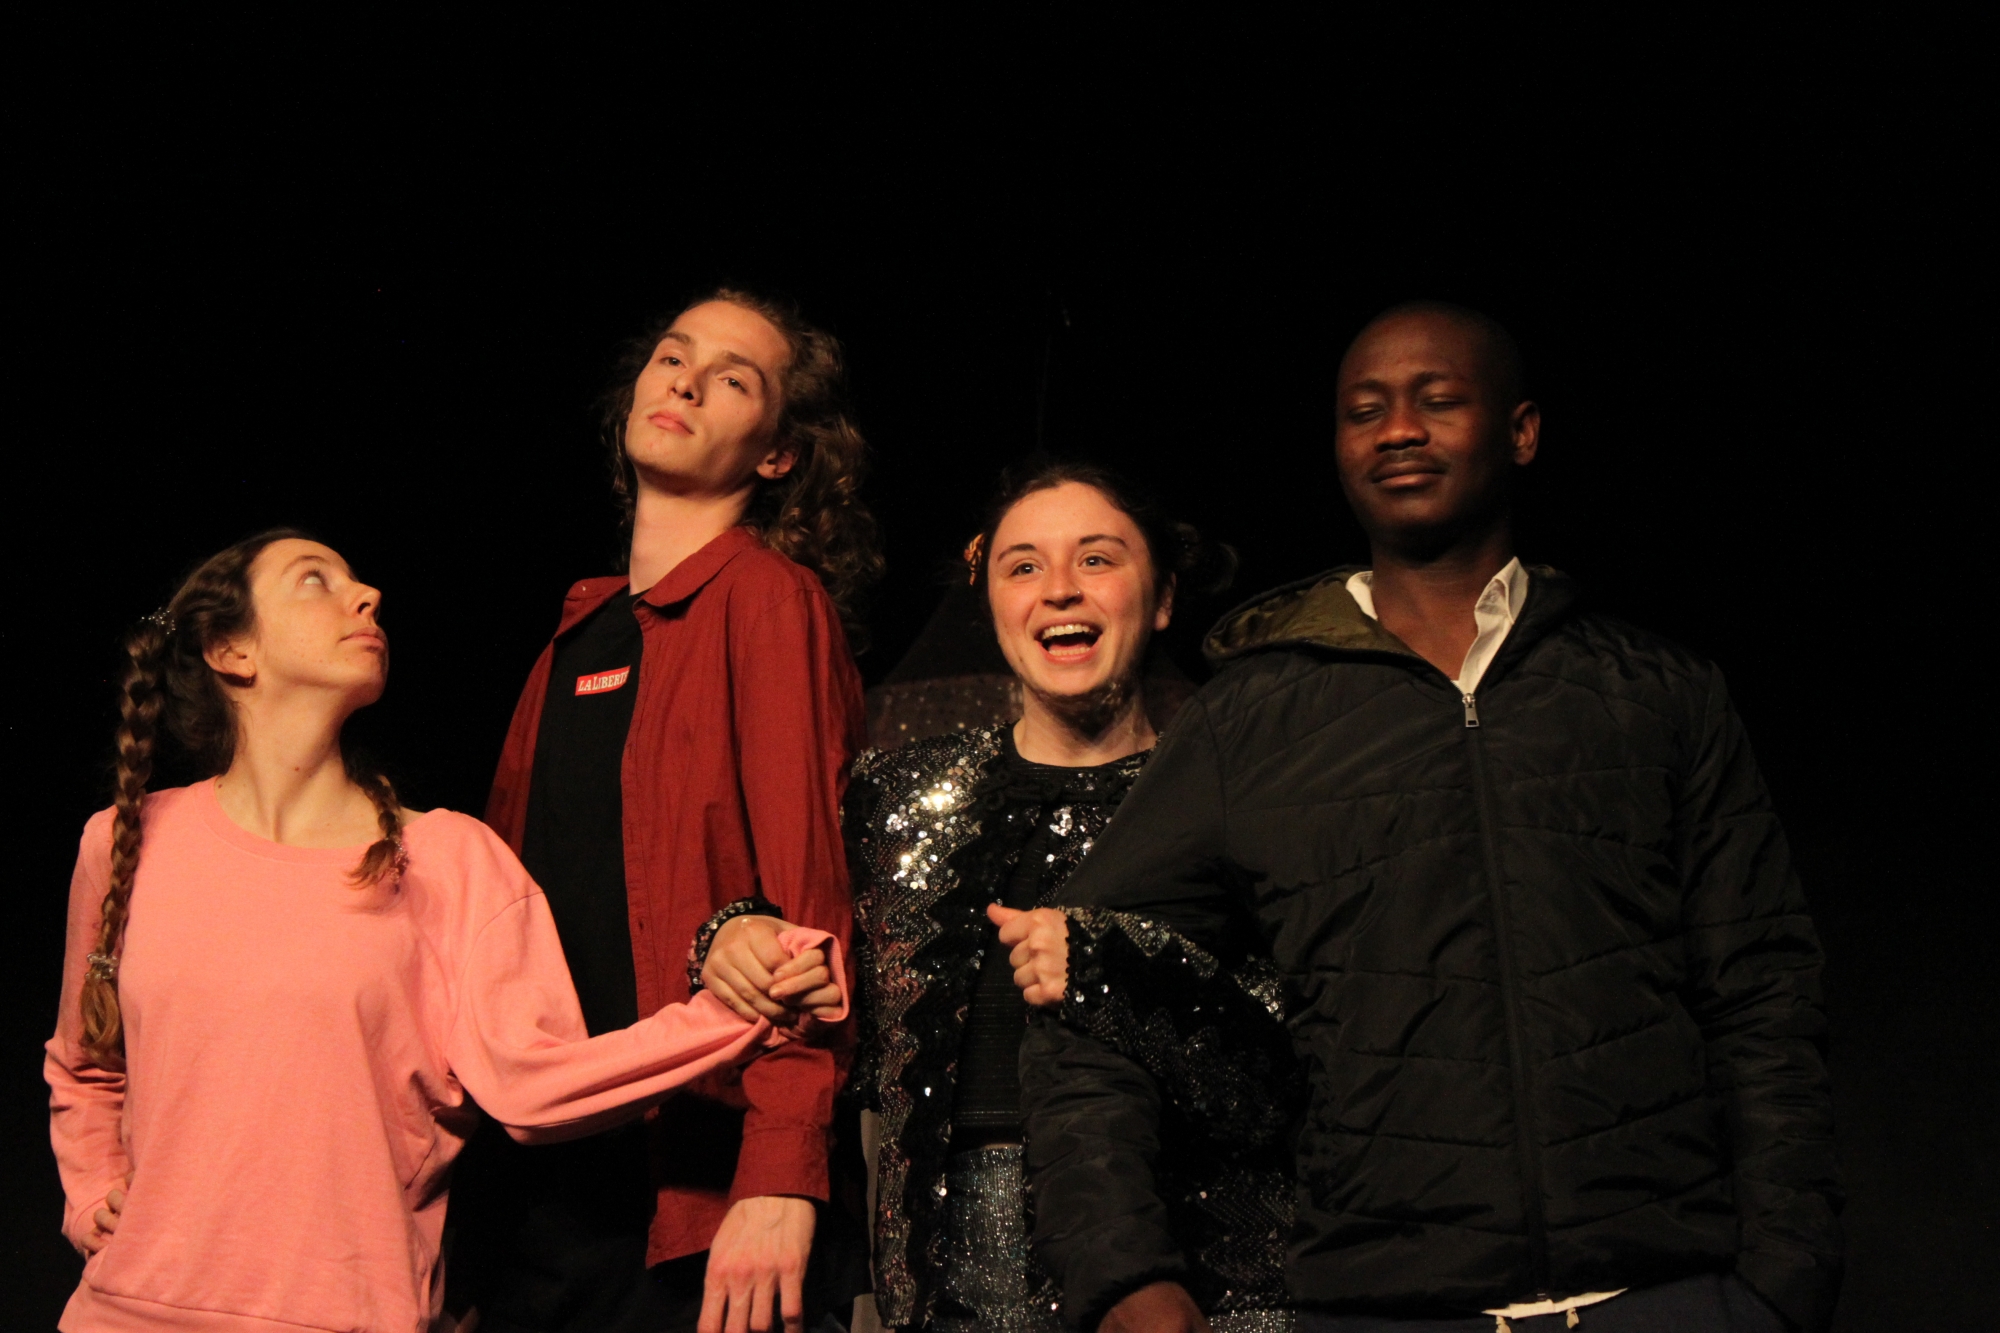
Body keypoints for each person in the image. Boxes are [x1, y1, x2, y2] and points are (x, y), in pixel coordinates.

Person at [1012, 304, 1842, 1332]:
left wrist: (1781, 1273)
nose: (1396, 429)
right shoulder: (1254, 714)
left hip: (1668, 1290)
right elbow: (1084, 986)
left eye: (1435, 400)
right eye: (1364, 411)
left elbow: (1761, 992)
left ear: (1521, 429)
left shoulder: (1655, 692)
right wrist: (1124, 1276)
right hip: (1382, 1305)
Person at [44, 531, 847, 1333]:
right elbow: (84, 1064)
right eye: (315, 580)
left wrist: (738, 1010)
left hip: (338, 1316)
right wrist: (89, 1195)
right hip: (122, 1311)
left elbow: (536, 1085)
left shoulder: (447, 857)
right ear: (231, 651)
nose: (367, 596)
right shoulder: (127, 841)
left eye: (360, 579)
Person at [702, 462, 1294, 1333]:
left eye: (1096, 559)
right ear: (988, 601)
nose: (1058, 589)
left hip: (1203, 1274)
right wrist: (733, 933)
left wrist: (1108, 968)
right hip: (951, 1283)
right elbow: (840, 1008)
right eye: (1023, 566)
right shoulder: (892, 798)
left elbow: (1291, 1073)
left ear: (1162, 596)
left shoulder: (1236, 799)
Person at [447, 289, 882, 1333]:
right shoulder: (576, 634)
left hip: (695, 1199)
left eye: (732, 377)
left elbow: (807, 905)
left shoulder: (768, 599)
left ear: (776, 453)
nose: (684, 379)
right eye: (672, 357)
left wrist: (780, 1173)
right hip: (546, 1199)